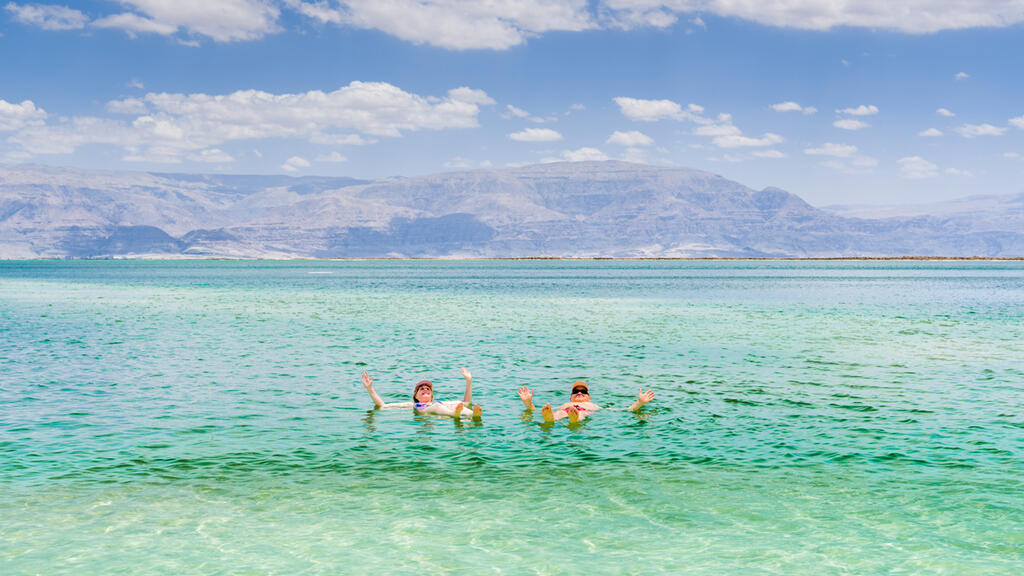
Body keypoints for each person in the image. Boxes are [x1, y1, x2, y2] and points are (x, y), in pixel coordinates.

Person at [362, 368, 482, 420]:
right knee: (438, 406)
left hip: (443, 412)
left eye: (428, 389)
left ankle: (473, 415)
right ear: (416, 396)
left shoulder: (437, 402)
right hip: (432, 413)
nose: (425, 389)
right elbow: (383, 406)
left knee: (460, 405)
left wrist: (469, 381)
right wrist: (370, 389)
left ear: (432, 395)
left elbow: (466, 403)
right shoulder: (412, 405)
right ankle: (454, 414)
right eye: (422, 389)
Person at [517, 380, 653, 424]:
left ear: (589, 397)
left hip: (583, 412)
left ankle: (574, 418)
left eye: (583, 391)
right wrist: (527, 402)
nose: (579, 393)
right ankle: (550, 418)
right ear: (571, 397)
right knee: (557, 413)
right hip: (566, 411)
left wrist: (639, 402)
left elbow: (626, 410)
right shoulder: (565, 404)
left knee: (581, 414)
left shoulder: (592, 405)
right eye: (576, 392)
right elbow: (533, 410)